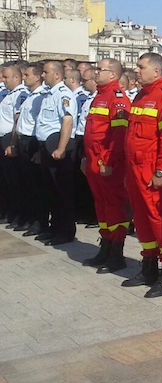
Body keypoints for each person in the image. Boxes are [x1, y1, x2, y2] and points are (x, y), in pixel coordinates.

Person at [120, 53, 162, 298]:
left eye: (141, 66)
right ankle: (148, 268)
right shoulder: (141, 96)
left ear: (156, 71)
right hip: (135, 171)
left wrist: (160, 171)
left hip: (152, 171)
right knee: (142, 220)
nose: (136, 70)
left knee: (160, 220)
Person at [80, 58, 132, 273]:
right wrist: (86, 158)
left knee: (114, 206)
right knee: (101, 206)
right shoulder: (98, 97)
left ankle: (116, 253)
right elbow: (92, 134)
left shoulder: (117, 99)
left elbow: (119, 136)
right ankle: (106, 245)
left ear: (112, 75)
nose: (95, 73)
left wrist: (108, 161)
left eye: (99, 69)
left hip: (108, 165)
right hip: (94, 163)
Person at [34, 61, 78, 246]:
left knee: (62, 191)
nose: (42, 76)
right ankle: (54, 228)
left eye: (45, 72)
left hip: (59, 146)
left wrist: (60, 148)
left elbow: (67, 121)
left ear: (57, 75)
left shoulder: (64, 95)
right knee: (50, 191)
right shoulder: (47, 94)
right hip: (46, 146)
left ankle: (65, 231)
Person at [15, 63, 47, 236]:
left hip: (33, 141)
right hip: (23, 140)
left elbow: (39, 123)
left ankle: (39, 222)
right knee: (26, 184)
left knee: (36, 186)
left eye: (27, 75)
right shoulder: (29, 95)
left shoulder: (41, 96)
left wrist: (38, 149)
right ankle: (28, 218)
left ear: (37, 77)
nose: (24, 77)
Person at [0, 63, 29, 231]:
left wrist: (12, 143)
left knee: (16, 181)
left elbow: (16, 120)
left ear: (16, 78)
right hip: (3, 138)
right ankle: (9, 212)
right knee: (6, 181)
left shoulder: (21, 94)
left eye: (6, 77)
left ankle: (19, 214)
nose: (3, 80)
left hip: (10, 139)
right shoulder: (9, 94)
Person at [73, 67, 98, 229]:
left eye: (86, 80)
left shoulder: (99, 99)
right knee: (82, 180)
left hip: (92, 142)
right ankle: (85, 213)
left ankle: (94, 216)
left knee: (93, 184)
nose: (83, 83)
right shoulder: (90, 98)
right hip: (82, 138)